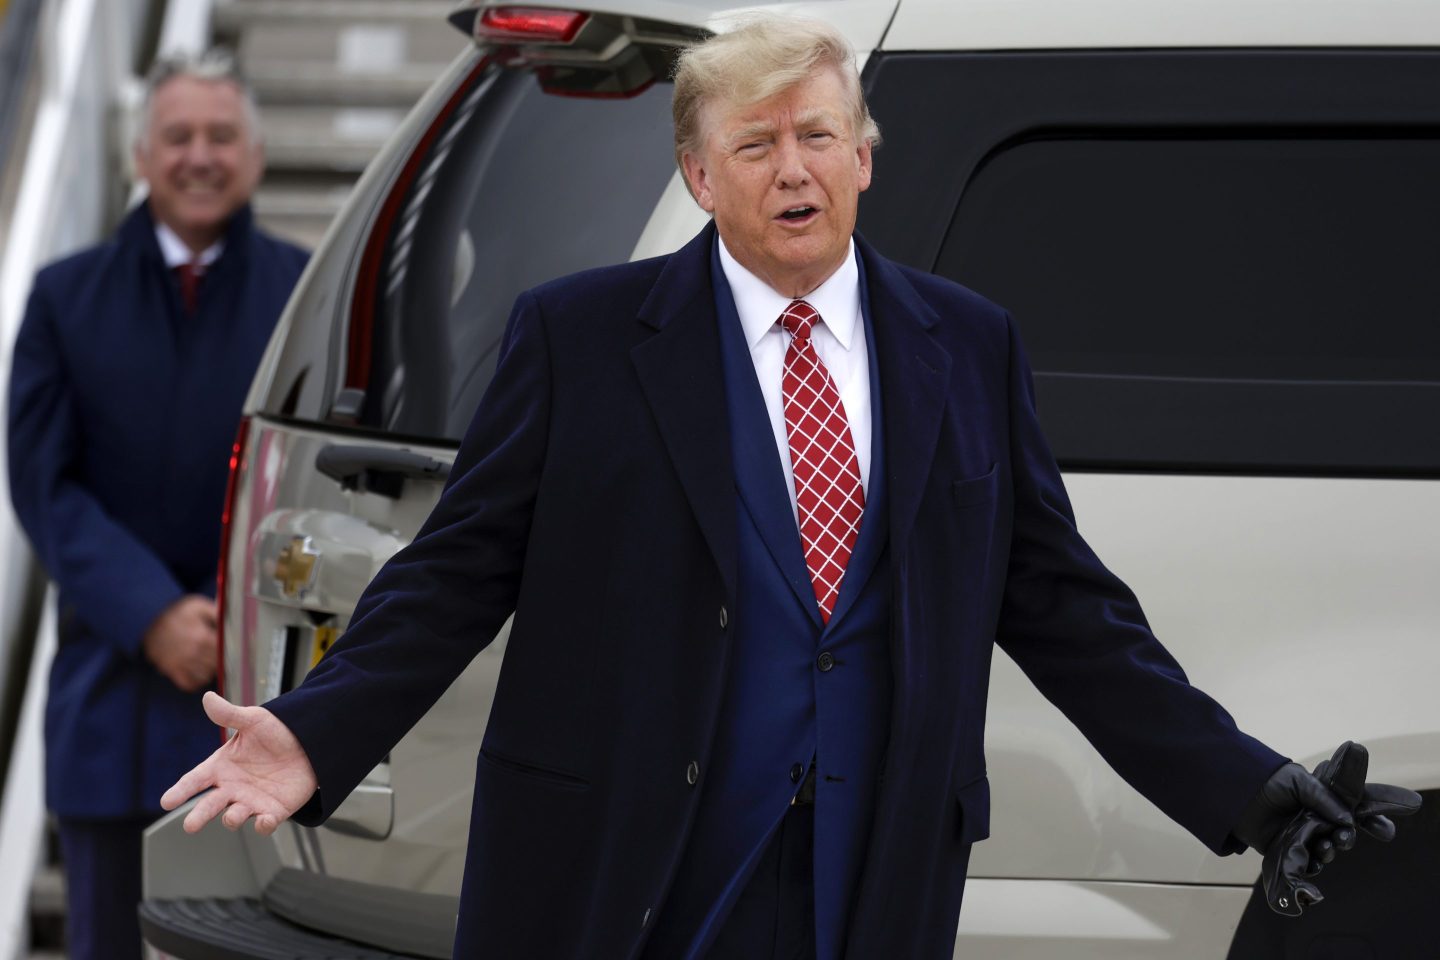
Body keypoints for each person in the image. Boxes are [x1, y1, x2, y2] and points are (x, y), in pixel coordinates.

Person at [161, 18, 1417, 960]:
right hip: (637, 866)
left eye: (817, 135)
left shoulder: (964, 344)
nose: (791, 167)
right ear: (703, 180)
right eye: (752, 145)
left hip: (866, 874)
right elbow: (458, 568)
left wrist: (1242, 787)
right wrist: (317, 728)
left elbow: (1062, 604)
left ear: (864, 158)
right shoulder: (584, 339)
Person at [7, 49, 307, 960]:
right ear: (142, 156)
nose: (200, 156)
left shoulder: (302, 295)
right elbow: (44, 486)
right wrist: (152, 615)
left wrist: (228, 619)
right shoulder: (66, 298)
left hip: (252, 701)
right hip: (108, 688)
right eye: (177, 136)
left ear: (254, 157)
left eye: (222, 136)